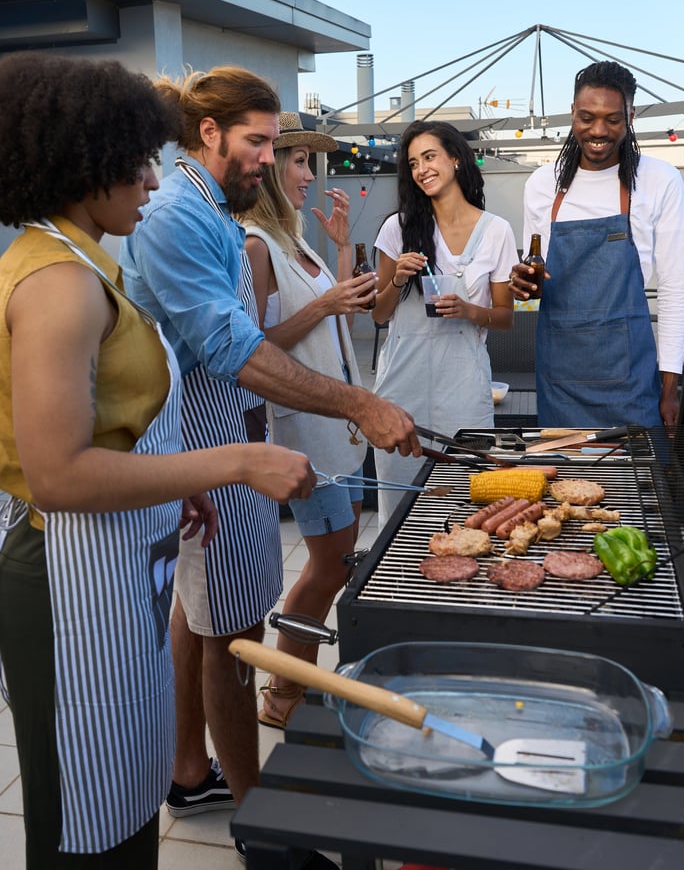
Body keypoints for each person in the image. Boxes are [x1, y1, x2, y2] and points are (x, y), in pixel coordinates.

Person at [0, 53, 316, 870]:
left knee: (129, 799)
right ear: (82, 161)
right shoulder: (57, 285)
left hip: (112, 567)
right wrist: (232, 464)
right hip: (67, 584)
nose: (152, 179)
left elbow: (112, 425)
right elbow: (60, 474)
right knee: (89, 823)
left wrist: (166, 493)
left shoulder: (87, 263)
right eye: (136, 161)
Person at [119, 68, 419, 852]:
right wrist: (359, 404)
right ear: (209, 133)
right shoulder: (178, 214)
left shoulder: (215, 211)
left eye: (272, 141)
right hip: (208, 447)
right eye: (258, 141)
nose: (268, 156)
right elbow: (232, 347)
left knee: (208, 612)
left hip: (229, 444)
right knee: (234, 630)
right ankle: (262, 824)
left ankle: (192, 769)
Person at [242, 112, 373, 727]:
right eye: (298, 162)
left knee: (338, 558)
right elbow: (257, 345)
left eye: (307, 163)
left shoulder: (294, 238)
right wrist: (325, 300)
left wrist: (344, 252)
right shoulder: (255, 244)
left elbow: (335, 321)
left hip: (335, 423)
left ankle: (291, 681)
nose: (307, 175)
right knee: (327, 564)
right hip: (302, 430)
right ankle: (282, 693)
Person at [510, 60, 684, 431]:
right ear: (572, 114)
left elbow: (674, 288)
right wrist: (524, 287)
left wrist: (670, 386)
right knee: (565, 486)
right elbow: (533, 292)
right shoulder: (543, 185)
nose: (598, 130)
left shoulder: (659, 180)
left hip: (632, 381)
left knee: (637, 485)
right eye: (586, 117)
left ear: (631, 115)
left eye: (612, 119)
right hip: (560, 381)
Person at [371, 120, 517, 530]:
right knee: (401, 511)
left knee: (467, 502)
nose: (421, 169)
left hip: (464, 388)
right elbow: (379, 315)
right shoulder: (398, 228)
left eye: (429, 156)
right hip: (402, 385)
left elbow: (505, 317)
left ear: (455, 158)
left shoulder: (496, 231)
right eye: (413, 163)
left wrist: (471, 311)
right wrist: (398, 278)